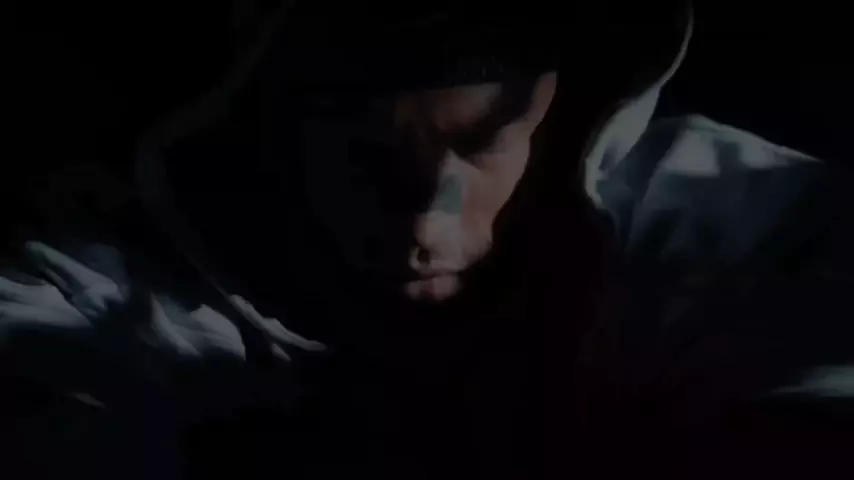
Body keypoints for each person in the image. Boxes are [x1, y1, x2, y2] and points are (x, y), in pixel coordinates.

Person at [3, 1, 852, 478]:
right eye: (364, 156)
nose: (425, 218)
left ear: (562, 115)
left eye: (486, 143)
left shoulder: (733, 211)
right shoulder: (115, 267)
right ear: (265, 131)